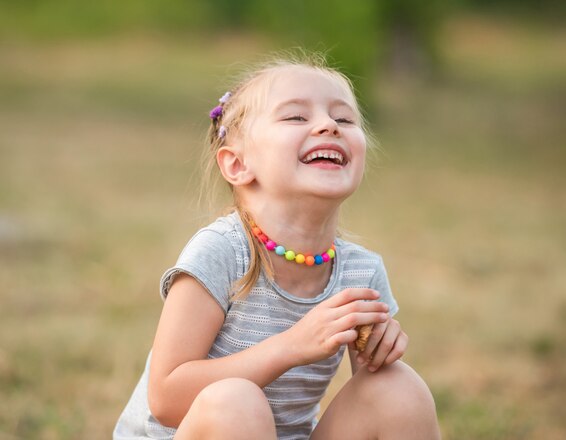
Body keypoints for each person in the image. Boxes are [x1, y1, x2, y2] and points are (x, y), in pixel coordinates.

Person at [113, 53, 440, 440]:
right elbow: (165, 398)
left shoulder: (359, 273)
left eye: (344, 118)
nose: (328, 126)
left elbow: (370, 396)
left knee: (397, 388)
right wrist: (292, 346)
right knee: (236, 401)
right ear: (237, 165)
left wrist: (380, 353)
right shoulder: (221, 253)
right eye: (296, 117)